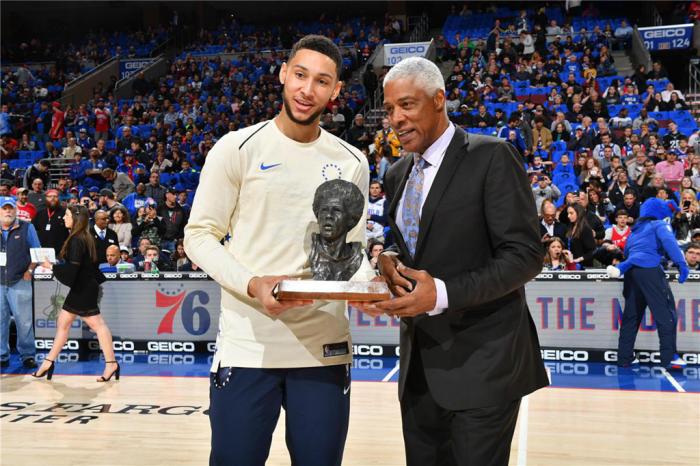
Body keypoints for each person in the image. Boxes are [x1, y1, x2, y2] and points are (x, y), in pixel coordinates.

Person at [184, 35, 374, 466]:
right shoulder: (236, 148)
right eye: (300, 75)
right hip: (248, 346)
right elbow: (199, 236)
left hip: (323, 347)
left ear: (336, 91)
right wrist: (253, 284)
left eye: (321, 81)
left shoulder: (352, 161)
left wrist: (369, 289)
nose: (307, 90)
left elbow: (352, 252)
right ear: (284, 74)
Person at [356, 57, 548, 466]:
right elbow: (408, 243)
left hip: (484, 367)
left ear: (439, 99)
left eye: (407, 105)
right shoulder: (397, 173)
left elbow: (526, 256)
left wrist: (441, 294)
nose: (396, 118)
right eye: (389, 109)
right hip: (419, 371)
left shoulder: (492, 156)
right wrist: (388, 258)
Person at [34, 204, 119, 382]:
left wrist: (52, 267)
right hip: (84, 286)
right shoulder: (84, 236)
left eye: (67, 215)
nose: (64, 218)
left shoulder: (77, 239)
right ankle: (48, 362)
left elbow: (73, 269)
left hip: (83, 288)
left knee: (97, 325)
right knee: (63, 323)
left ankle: (111, 364)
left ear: (75, 218)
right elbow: (83, 265)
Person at [606, 198, 689, 370]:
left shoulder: (634, 232)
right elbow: (669, 242)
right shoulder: (659, 224)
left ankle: (624, 357)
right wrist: (681, 264)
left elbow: (627, 252)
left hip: (632, 273)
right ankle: (669, 357)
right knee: (666, 314)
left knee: (631, 317)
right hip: (650, 270)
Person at [0, 196, 40, 369]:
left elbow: (37, 252)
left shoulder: (27, 227)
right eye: (4, 208)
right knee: (0, 321)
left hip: (20, 281)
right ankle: (2, 355)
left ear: (16, 210)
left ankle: (27, 355)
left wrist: (29, 270)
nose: (8, 211)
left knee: (24, 321)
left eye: (11, 208)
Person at [32, 189, 70, 256]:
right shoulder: (40, 213)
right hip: (42, 251)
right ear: (46, 198)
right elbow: (33, 230)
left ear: (58, 198)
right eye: (50, 196)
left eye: (55, 196)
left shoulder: (65, 212)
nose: (52, 198)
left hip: (60, 252)